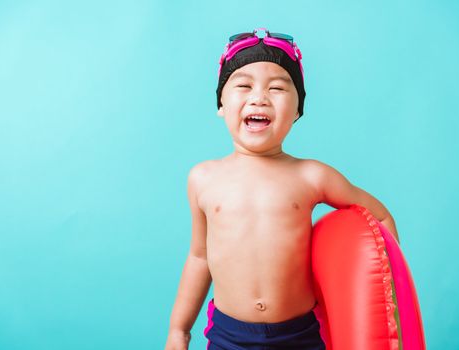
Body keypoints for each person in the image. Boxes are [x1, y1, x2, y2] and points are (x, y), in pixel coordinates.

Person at [164, 28, 399, 350]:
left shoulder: (312, 176)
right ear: (221, 103)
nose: (259, 97)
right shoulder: (203, 178)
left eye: (277, 88)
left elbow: (380, 218)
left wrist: (383, 293)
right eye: (244, 85)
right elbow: (199, 256)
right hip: (228, 336)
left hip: (300, 335)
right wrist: (179, 331)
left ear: (298, 110)